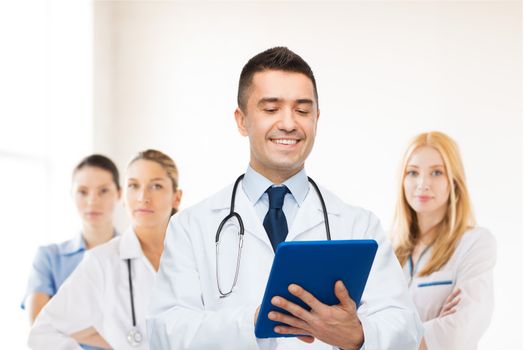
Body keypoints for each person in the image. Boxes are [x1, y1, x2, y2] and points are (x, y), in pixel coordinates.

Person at [147, 47, 423, 349]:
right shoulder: (191, 226)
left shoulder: (359, 225)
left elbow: (406, 327)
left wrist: (358, 335)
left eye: (303, 111)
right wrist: (252, 322)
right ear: (241, 120)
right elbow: (166, 332)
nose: (289, 123)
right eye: (270, 109)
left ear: (316, 118)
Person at [28, 150, 182, 350]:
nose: (143, 196)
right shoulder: (101, 261)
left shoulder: (194, 255)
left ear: (176, 197)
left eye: (156, 186)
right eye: (134, 185)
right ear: (125, 196)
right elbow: (42, 330)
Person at [391, 131, 496, 350]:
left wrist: (384, 338)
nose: (423, 184)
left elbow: (459, 332)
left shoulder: (474, 244)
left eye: (437, 172)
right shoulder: (387, 252)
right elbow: (361, 325)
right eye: (412, 172)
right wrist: (432, 328)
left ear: (454, 182)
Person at [22, 154, 121, 350]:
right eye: (83, 191)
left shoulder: (137, 257)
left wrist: (66, 327)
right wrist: (121, 337)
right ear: (71, 194)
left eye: (103, 191)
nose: (92, 201)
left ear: (119, 193)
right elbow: (39, 327)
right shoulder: (49, 258)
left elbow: (148, 334)